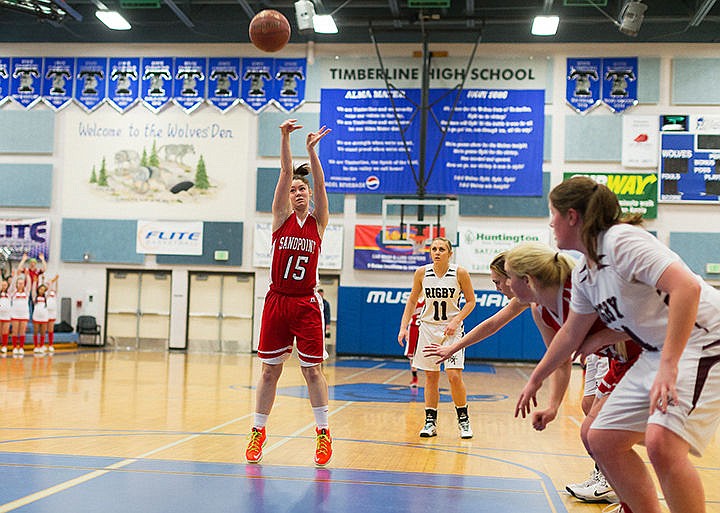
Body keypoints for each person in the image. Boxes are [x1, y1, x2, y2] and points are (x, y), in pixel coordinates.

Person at [515, 176, 720, 513]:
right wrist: (537, 377)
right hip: (660, 350)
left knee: (662, 444)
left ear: (571, 216)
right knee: (602, 438)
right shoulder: (585, 273)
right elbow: (570, 333)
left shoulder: (621, 240)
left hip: (704, 338)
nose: (550, 222)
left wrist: (668, 365)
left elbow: (687, 288)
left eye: (552, 213)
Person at [245, 119, 333, 467]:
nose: (298, 191)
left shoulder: (318, 222)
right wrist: (284, 137)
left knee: (312, 372)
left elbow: (322, 184)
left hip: (306, 303)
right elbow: (284, 171)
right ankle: (257, 431)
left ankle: (323, 433)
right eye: (294, 189)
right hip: (277, 300)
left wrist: (312, 152)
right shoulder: (280, 219)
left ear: (309, 196)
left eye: (302, 189)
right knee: (269, 371)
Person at [398, 237, 476, 439]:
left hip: (452, 332)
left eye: (442, 249)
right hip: (428, 330)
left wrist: (456, 320)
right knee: (431, 377)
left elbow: (470, 302)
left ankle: (463, 420)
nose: (437, 252)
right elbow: (413, 300)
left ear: (450, 254)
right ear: (430, 252)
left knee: (454, 376)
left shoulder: (460, 273)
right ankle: (430, 422)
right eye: (434, 249)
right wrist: (403, 327)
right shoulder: (422, 273)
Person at [403, 298, 424, 388]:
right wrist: (405, 330)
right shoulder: (413, 300)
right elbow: (407, 316)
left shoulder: (428, 298)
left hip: (425, 329)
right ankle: (415, 378)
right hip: (413, 328)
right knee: (412, 355)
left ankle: (432, 378)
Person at [31, 282, 49, 354]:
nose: (42, 291)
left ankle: (41, 346)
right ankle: (36, 346)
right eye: (41, 289)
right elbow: (32, 290)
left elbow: (50, 289)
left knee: (43, 332)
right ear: (38, 289)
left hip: (44, 317)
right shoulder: (35, 297)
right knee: (35, 332)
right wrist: (35, 282)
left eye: (43, 290)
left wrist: (51, 281)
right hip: (36, 316)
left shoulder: (46, 297)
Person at [44, 274, 59, 353]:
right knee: (43, 329)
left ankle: (50, 345)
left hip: (52, 312)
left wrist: (56, 280)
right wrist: (49, 281)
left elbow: (56, 288)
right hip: (45, 312)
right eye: (48, 283)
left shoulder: (54, 293)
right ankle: (42, 344)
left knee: (51, 329)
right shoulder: (44, 293)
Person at [0, 277, 11, 355]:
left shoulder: (10, 293)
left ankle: (4, 346)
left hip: (6, 315)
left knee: (5, 331)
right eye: (2, 285)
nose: (4, 286)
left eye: (5, 285)